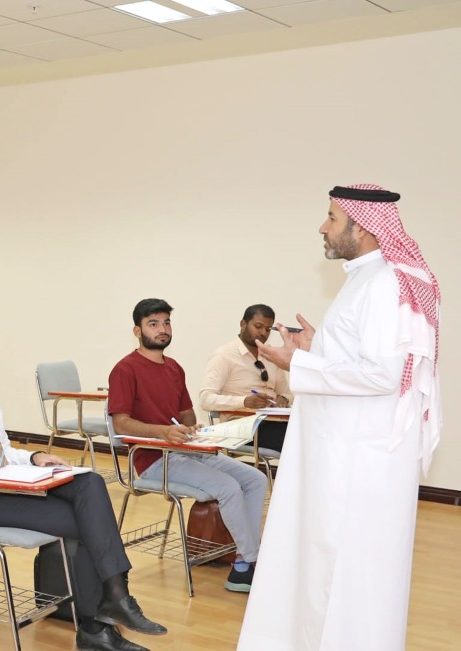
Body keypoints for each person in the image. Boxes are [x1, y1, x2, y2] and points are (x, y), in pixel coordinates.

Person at [239, 185, 441, 651]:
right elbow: (360, 360)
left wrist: (298, 364)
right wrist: (318, 347)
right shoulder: (365, 279)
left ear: (364, 226)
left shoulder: (386, 283)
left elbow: (382, 376)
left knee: (350, 570)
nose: (322, 227)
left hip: (358, 460)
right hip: (342, 451)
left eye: (331, 217)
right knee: (324, 564)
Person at [0, 311, 166, 651]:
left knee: (89, 482)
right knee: (85, 521)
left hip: (2, 484)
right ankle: (97, 622)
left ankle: (115, 598)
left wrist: (32, 458)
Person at [108, 299, 268, 593]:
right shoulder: (125, 369)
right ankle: (252, 561)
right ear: (137, 330)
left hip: (186, 449)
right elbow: (121, 423)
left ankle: (245, 559)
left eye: (166, 323)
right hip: (153, 461)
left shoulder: (174, 368)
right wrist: (163, 432)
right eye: (153, 324)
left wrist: (192, 427)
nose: (162, 329)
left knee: (256, 479)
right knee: (228, 487)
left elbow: (186, 414)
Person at [198, 303, 293, 452]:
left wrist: (283, 399)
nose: (263, 333)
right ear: (243, 324)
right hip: (240, 427)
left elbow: (288, 393)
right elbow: (205, 400)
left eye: (268, 329)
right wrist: (245, 401)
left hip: (272, 422)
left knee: (309, 429)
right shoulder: (224, 355)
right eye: (258, 326)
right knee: (295, 438)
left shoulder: (271, 356)